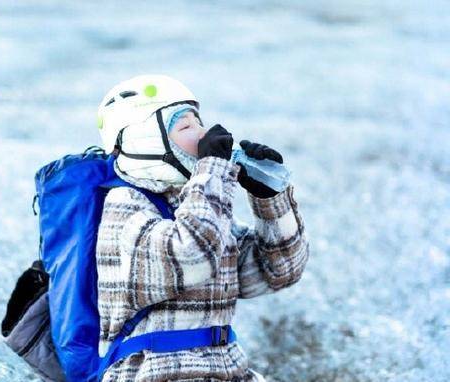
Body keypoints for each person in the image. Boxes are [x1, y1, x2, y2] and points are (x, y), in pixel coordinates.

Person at [95, 74, 310, 381]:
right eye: (185, 126)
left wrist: (270, 199)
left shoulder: (194, 203)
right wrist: (213, 170)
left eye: (200, 122)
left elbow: (279, 271)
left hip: (225, 369)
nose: (204, 134)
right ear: (146, 139)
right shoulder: (124, 208)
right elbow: (193, 256)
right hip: (155, 373)